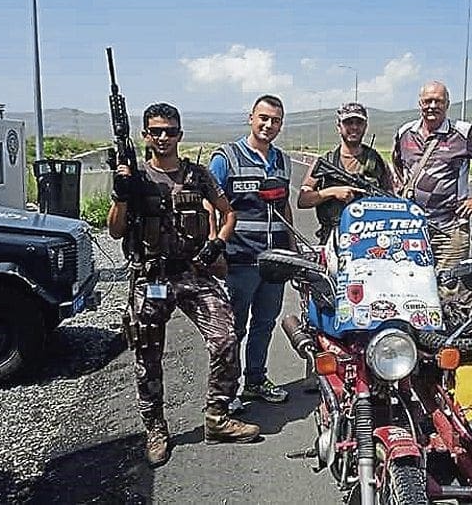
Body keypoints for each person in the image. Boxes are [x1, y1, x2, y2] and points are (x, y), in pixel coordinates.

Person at [107, 102, 260, 468]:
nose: (163, 137)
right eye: (156, 130)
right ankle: (155, 428)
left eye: (170, 131)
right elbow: (115, 230)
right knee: (147, 354)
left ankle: (217, 418)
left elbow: (228, 212)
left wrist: (218, 243)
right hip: (152, 277)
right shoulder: (135, 177)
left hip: (194, 273)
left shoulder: (197, 175)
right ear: (145, 135)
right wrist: (120, 195)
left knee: (225, 339)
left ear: (180, 134)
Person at [209, 94, 296, 407]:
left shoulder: (282, 161)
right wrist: (214, 245)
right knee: (234, 329)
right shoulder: (226, 157)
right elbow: (210, 203)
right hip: (240, 259)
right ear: (251, 118)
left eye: (275, 121)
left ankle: (255, 382)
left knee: (264, 324)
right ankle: (226, 392)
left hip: (274, 261)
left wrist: (293, 251)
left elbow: (285, 206)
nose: (268, 125)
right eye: (263, 118)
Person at [391, 81, 472, 271]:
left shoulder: (463, 133)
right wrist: (403, 186)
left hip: (450, 229)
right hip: (411, 227)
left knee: (450, 292)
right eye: (428, 101)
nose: (433, 106)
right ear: (420, 103)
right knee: (410, 287)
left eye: (439, 101)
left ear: (447, 104)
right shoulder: (405, 133)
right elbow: (396, 159)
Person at [297, 101, 394, 243]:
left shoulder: (376, 162)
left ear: (365, 127)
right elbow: (303, 200)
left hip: (369, 237)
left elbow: (391, 198)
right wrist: (332, 192)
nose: (354, 127)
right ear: (339, 126)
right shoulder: (326, 162)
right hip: (333, 237)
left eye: (359, 123)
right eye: (348, 122)